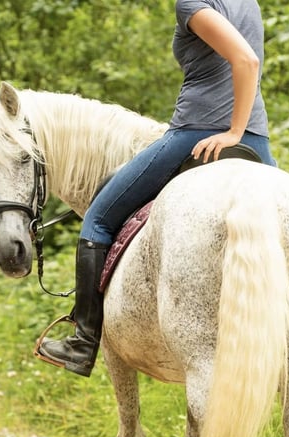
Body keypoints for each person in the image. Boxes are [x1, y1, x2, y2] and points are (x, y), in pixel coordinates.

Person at [36, 0, 276, 377]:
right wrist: (244, 131)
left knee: (97, 218)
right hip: (258, 141)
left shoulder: (192, 4)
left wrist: (230, 132)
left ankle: (82, 343)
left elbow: (246, 61)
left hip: (196, 133)